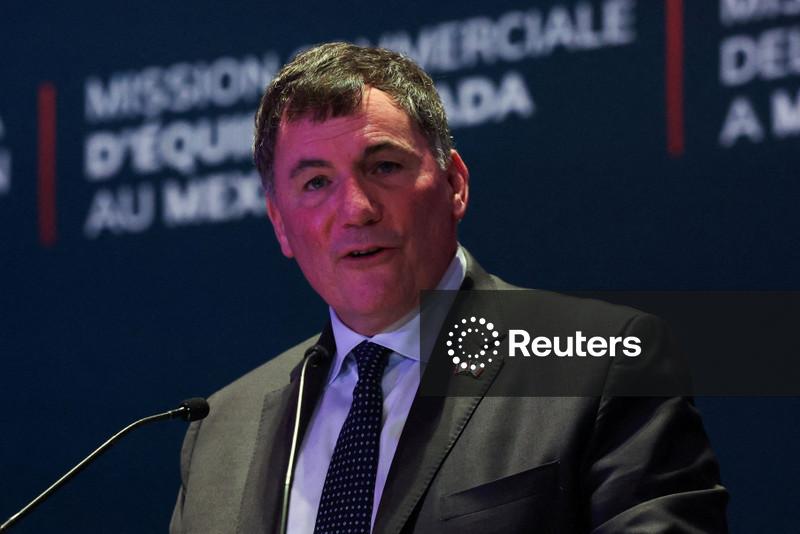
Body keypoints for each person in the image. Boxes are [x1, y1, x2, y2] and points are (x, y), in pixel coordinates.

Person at [169, 42, 728, 533]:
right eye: (316, 182)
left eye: (384, 167)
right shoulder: (220, 433)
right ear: (280, 224)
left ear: (455, 183)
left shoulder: (601, 364)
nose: (356, 209)